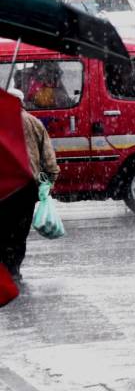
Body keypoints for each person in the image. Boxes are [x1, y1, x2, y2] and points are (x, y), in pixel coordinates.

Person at [0, 89, 59, 283]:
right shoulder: (34, 123)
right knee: (19, 231)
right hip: (27, 187)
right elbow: (48, 160)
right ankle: (14, 269)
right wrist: (46, 183)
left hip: (4, 186)